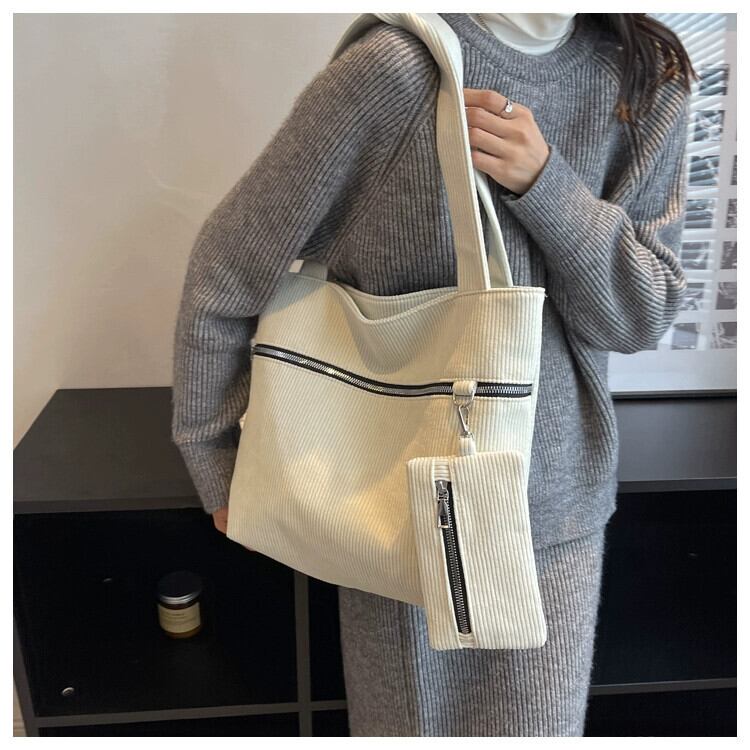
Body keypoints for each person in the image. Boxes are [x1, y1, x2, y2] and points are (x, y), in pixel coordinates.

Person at [171, 12, 696, 736]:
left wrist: (546, 184)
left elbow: (638, 318)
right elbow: (227, 271)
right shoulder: (397, 70)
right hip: (400, 496)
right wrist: (215, 461)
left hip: (556, 509)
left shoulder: (647, 79)